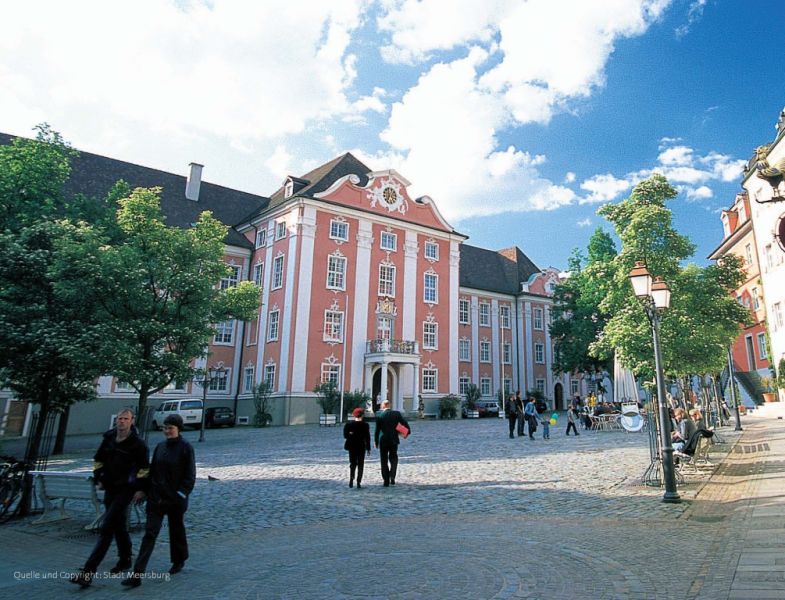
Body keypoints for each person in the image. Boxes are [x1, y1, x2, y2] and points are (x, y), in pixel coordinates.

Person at [70, 408, 149, 588]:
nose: (122, 421)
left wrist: (140, 489)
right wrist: (99, 477)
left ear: (132, 421)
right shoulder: (109, 438)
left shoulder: (138, 444)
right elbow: (98, 459)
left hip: (126, 489)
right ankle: (125, 558)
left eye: (126, 419)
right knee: (118, 524)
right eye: (120, 418)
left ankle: (88, 572)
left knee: (107, 527)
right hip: (110, 487)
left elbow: (144, 468)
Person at [122, 414, 196, 587]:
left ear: (178, 429)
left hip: (175, 499)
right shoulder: (160, 447)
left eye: (170, 428)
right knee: (150, 533)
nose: (167, 431)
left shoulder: (186, 447)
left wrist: (180, 495)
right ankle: (137, 574)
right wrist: (143, 490)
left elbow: (190, 475)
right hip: (156, 498)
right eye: (165, 428)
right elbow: (152, 471)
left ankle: (179, 559)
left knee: (176, 530)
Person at [374, 400, 410, 487]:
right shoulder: (396, 414)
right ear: (389, 405)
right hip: (394, 439)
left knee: (384, 460)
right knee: (394, 458)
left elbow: (377, 430)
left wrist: (376, 441)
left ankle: (386, 480)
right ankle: (392, 476)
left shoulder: (379, 415)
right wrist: (407, 432)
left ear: (383, 405)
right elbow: (405, 423)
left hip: (383, 440)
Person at [344, 407, 371, 488]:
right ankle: (359, 481)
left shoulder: (349, 425)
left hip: (352, 446)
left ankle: (351, 479)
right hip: (361, 446)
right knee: (360, 464)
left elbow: (345, 436)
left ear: (354, 415)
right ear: (362, 415)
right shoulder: (365, 425)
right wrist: (368, 448)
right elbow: (367, 437)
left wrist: (351, 434)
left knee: (352, 463)